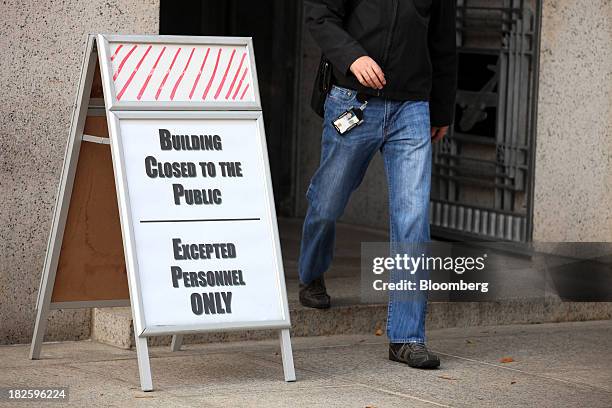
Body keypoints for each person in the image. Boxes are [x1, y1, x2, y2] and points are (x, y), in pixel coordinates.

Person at [299, 0, 457, 369]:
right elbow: (319, 14)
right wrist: (353, 57)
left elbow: (443, 42)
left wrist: (442, 109)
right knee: (327, 201)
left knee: (413, 217)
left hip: (412, 107)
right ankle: (311, 272)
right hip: (354, 102)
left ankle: (406, 337)